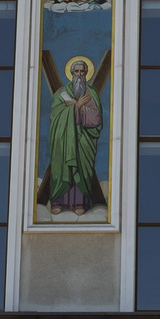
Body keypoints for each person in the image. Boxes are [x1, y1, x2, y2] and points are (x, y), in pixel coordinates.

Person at [39, 52, 108, 215]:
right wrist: (75, 108)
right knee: (63, 167)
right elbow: (55, 117)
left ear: (86, 73)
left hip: (84, 141)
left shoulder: (91, 94)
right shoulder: (61, 94)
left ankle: (79, 203)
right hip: (64, 139)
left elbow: (96, 119)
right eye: (76, 72)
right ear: (71, 73)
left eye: (82, 72)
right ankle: (58, 202)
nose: (79, 75)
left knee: (81, 169)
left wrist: (82, 107)